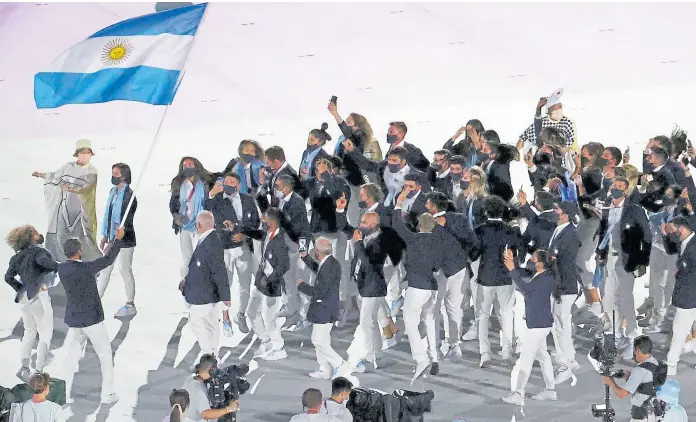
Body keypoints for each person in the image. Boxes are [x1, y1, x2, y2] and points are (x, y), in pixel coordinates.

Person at [59, 226, 125, 404]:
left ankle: (62, 394)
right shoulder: (86, 268)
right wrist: (118, 240)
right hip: (92, 321)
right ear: (79, 252)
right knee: (105, 355)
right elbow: (108, 260)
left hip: (75, 321)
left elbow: (103, 260)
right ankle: (107, 394)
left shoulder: (63, 269)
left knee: (71, 358)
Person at [205, 172, 262, 336]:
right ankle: (225, 317)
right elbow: (207, 211)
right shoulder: (216, 200)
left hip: (242, 247)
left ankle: (241, 314)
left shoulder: (247, 200)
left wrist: (244, 234)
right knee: (225, 285)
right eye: (225, 182)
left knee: (245, 286)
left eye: (231, 182)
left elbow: (255, 222)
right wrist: (212, 193)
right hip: (223, 249)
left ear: (237, 185)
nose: (227, 185)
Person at [502, 249, 557, 405]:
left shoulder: (543, 279)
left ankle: (518, 394)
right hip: (540, 323)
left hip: (538, 324)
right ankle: (550, 390)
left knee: (526, 357)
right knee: (543, 356)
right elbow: (524, 276)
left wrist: (512, 269)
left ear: (539, 263)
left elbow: (524, 288)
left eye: (533, 259)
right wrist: (513, 264)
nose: (530, 261)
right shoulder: (543, 275)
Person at [32, 138, 101, 261]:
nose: (85, 156)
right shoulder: (68, 167)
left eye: (88, 153)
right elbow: (55, 177)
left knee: (81, 240)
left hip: (81, 211)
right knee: (60, 237)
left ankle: (87, 265)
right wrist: (41, 175)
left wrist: (69, 188)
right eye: (82, 152)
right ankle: (65, 263)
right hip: (64, 208)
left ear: (91, 154)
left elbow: (87, 188)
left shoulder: (92, 171)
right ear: (77, 154)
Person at [4, 225, 58, 375]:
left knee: (29, 331)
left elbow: (8, 277)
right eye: (35, 232)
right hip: (39, 296)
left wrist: (21, 288)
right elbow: (50, 266)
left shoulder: (16, 258)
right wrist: (44, 281)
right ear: (31, 237)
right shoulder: (39, 252)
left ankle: (24, 366)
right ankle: (39, 370)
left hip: (23, 298)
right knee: (45, 333)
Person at [179, 211, 230, 357]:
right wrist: (186, 280)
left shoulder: (211, 243)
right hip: (209, 293)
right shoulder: (209, 238)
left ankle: (208, 353)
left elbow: (220, 272)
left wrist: (225, 298)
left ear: (198, 225)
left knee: (195, 321)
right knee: (211, 323)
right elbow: (198, 266)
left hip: (205, 294)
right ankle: (213, 354)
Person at [298, 237, 345, 378]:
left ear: (318, 252)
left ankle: (339, 364)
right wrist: (305, 258)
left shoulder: (329, 266)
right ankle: (325, 369)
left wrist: (300, 285)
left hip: (324, 308)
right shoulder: (329, 263)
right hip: (326, 307)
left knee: (317, 340)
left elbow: (319, 291)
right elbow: (319, 271)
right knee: (323, 341)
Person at [96, 162, 138, 318]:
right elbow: (108, 215)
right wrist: (105, 235)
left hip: (125, 240)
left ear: (124, 176)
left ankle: (130, 304)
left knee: (124, 270)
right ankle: (95, 302)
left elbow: (128, 219)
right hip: (112, 238)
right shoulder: (113, 191)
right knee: (105, 269)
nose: (113, 176)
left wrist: (117, 236)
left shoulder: (130, 196)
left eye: (116, 174)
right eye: (113, 173)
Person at [249, 207, 290, 361]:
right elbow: (257, 234)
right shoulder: (268, 234)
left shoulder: (280, 241)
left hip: (273, 287)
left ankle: (279, 348)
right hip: (262, 282)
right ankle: (266, 341)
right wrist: (238, 228)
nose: (262, 220)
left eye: (264, 218)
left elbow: (284, 265)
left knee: (269, 319)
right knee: (252, 311)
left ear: (272, 221)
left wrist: (270, 279)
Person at [603, 336, 668, 421]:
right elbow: (648, 384)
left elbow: (622, 394)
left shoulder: (640, 370)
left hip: (641, 415)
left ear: (637, 350)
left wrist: (610, 382)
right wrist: (629, 377)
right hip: (655, 412)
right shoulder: (657, 363)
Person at [170, 157, 215, 278]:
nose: (188, 167)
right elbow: (173, 203)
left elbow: (222, 177)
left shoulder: (206, 181)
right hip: (185, 225)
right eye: (185, 165)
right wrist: (177, 216)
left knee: (201, 255)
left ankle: (202, 282)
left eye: (191, 164)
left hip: (202, 226)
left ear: (196, 166)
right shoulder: (178, 183)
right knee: (186, 257)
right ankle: (185, 281)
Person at [665, 216, 696, 375]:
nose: (673, 233)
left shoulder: (693, 247)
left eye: (673, 230)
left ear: (681, 229)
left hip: (689, 295)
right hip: (690, 294)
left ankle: (670, 365)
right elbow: (670, 249)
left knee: (679, 330)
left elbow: (690, 270)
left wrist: (680, 269)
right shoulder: (686, 242)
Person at [182, 354, 239, 422]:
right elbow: (206, 414)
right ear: (212, 370)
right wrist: (229, 409)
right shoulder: (200, 391)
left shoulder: (190, 379)